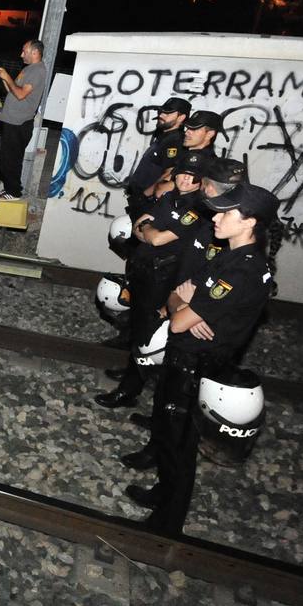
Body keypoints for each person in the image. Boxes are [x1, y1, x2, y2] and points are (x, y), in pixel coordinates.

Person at [125, 179, 280, 536]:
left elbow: (178, 318)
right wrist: (184, 302)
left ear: (250, 222)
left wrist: (183, 303)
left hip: (195, 368)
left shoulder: (241, 271)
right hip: (187, 361)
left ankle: (167, 524)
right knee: (167, 436)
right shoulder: (231, 254)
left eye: (228, 212)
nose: (216, 217)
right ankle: (162, 494)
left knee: (180, 449)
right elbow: (182, 298)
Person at [97, 149, 213, 411]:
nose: (186, 180)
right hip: (145, 271)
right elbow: (139, 226)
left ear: (202, 181)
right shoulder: (169, 198)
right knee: (139, 328)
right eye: (183, 173)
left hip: (163, 278)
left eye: (193, 177)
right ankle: (133, 372)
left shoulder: (195, 209)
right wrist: (149, 231)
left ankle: (129, 390)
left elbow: (156, 237)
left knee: (148, 333)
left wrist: (149, 231)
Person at [0, 39, 47, 199]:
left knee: (12, 160)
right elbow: (12, 90)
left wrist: (7, 76)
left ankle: (14, 192)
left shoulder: (37, 71)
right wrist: (3, 77)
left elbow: (21, 94)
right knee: (5, 159)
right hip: (11, 120)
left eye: (24, 51)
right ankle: (9, 189)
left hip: (19, 123)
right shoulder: (28, 69)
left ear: (34, 52)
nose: (21, 54)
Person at [125, 98, 191, 214]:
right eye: (161, 111)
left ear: (181, 118)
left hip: (149, 203)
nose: (161, 115)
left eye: (167, 113)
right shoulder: (165, 137)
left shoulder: (175, 142)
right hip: (142, 199)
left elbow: (169, 174)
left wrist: (143, 197)